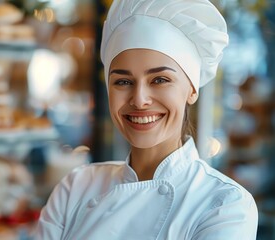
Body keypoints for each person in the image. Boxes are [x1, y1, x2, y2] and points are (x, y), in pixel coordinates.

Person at [35, 0, 259, 239]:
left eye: (160, 80)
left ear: (192, 89)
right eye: (123, 82)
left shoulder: (225, 205)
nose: (139, 99)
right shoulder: (75, 188)